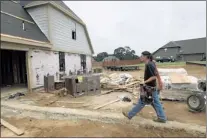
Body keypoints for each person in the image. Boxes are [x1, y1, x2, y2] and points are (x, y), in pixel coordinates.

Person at [122, 51, 167, 123]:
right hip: (152, 87)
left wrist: (144, 82)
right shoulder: (150, 63)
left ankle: (130, 115)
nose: (140, 57)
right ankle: (162, 117)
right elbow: (155, 74)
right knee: (154, 102)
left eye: (141, 56)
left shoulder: (149, 64)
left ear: (146, 57)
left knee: (142, 102)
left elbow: (153, 77)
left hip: (149, 88)